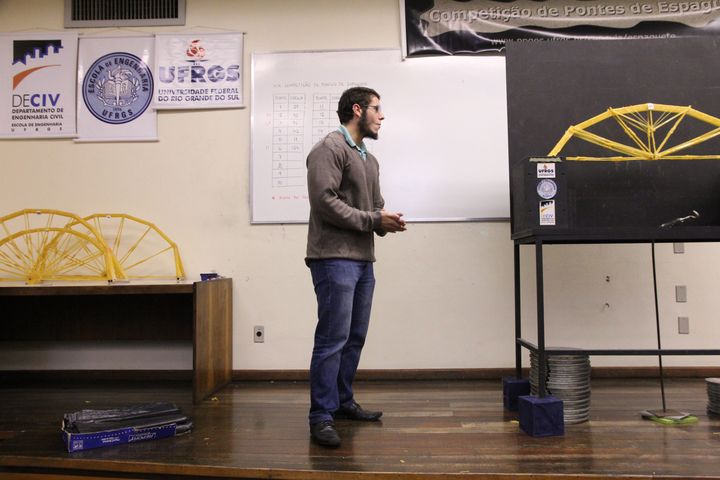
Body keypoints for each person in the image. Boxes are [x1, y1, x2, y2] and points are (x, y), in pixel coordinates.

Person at [305, 86, 406, 448]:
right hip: (333, 258)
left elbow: (374, 206)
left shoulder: (369, 160)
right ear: (358, 110)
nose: (382, 116)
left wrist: (385, 220)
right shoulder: (329, 149)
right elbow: (324, 202)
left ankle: (342, 401)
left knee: (354, 337)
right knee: (332, 339)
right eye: (377, 108)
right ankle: (320, 416)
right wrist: (373, 219)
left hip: (363, 260)